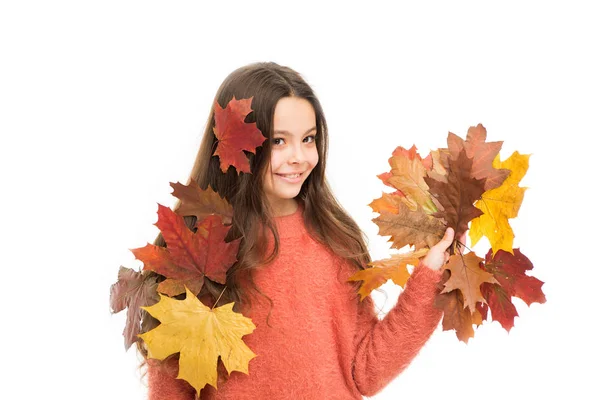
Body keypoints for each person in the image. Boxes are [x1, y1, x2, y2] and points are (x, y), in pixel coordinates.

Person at [139, 61, 456, 399]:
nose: (299, 157)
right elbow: (173, 387)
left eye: (308, 139)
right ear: (234, 145)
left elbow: (364, 372)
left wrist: (429, 276)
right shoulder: (196, 249)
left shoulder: (334, 238)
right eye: (278, 141)